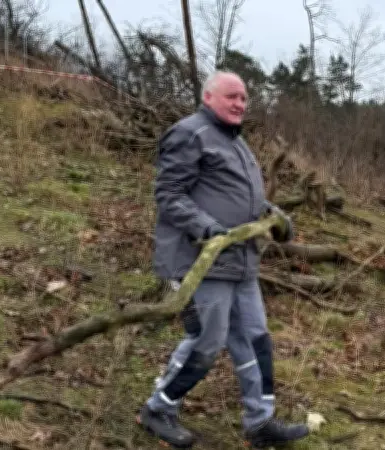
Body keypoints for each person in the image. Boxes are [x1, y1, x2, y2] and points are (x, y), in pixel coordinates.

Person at [137, 70, 310, 448]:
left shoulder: (237, 143)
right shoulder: (190, 133)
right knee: (207, 339)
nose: (239, 104)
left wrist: (275, 216)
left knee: (255, 337)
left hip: (240, 263)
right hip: (200, 261)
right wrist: (208, 229)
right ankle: (158, 408)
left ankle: (260, 421)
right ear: (208, 97)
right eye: (231, 96)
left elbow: (246, 200)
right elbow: (169, 195)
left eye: (244, 99)